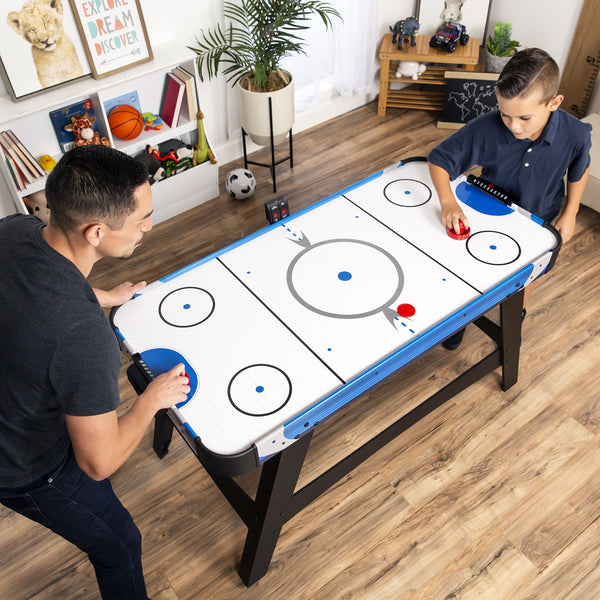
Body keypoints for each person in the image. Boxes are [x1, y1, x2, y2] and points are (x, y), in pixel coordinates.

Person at [0, 145, 190, 599]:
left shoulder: (17, 229)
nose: (148, 226)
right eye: (141, 218)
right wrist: (151, 400)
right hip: (26, 468)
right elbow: (99, 463)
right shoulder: (83, 339)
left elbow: (38, 281)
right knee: (120, 545)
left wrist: (99, 295)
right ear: (97, 232)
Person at [428, 47, 591, 349]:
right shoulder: (487, 127)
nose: (514, 126)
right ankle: (460, 318)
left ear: (554, 103)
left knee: (527, 274)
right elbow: (439, 160)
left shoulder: (576, 133)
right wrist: (449, 203)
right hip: (486, 211)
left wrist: (571, 213)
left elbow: (579, 169)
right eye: (505, 114)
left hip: (539, 217)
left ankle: (517, 314)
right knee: (473, 271)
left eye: (525, 117)